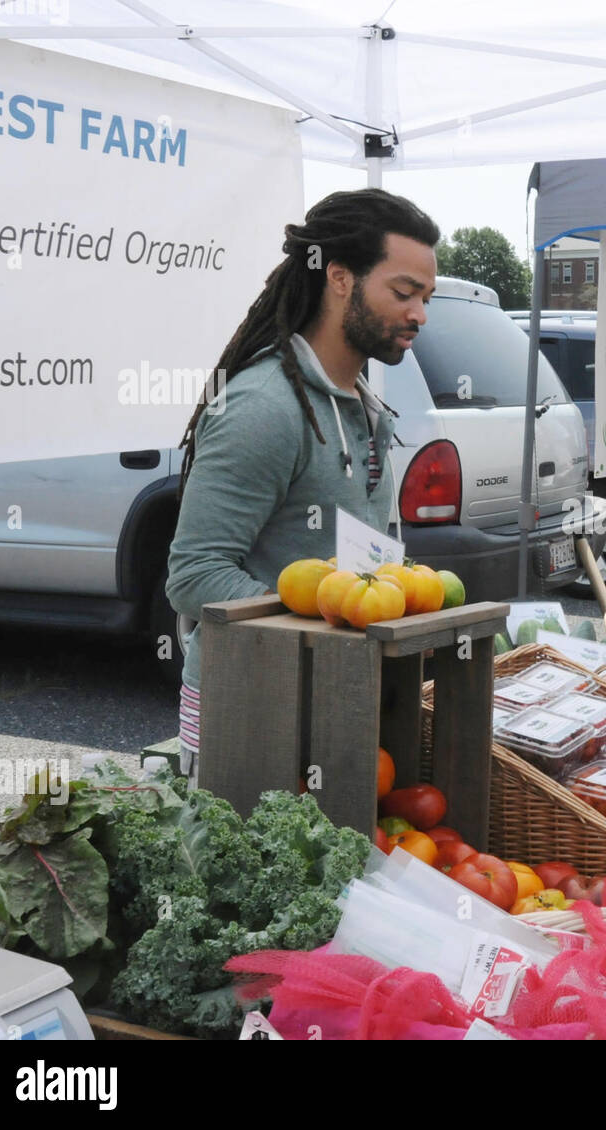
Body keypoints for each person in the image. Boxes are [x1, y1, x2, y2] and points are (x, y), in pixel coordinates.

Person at [166, 189, 440, 780]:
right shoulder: (265, 406)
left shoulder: (363, 406)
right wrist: (331, 617)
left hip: (335, 698)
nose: (419, 314)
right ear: (339, 278)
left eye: (425, 297)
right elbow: (193, 577)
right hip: (249, 710)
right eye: (403, 293)